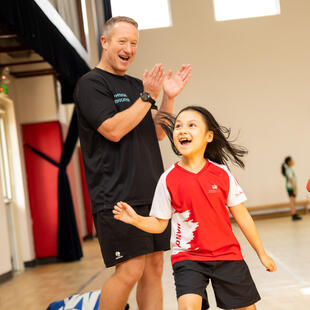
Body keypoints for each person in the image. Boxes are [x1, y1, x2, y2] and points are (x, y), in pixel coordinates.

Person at [74, 16, 191, 310]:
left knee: (154, 268)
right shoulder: (91, 84)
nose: (129, 48)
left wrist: (167, 98)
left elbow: (158, 133)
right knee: (129, 270)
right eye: (122, 41)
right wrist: (147, 96)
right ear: (105, 43)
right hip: (116, 196)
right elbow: (113, 130)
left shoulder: (137, 85)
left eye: (134, 43)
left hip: (152, 194)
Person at [113, 106, 277, 310]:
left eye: (192, 125)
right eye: (178, 126)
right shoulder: (167, 179)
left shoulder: (221, 174)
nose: (182, 130)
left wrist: (261, 254)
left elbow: (243, 217)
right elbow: (159, 224)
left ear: (209, 136)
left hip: (227, 255)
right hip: (188, 258)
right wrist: (135, 219)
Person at [281, 156, 302, 220]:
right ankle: (293, 215)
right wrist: (294, 189)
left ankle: (294, 213)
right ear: (289, 162)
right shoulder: (289, 170)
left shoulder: (289, 169)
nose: (293, 161)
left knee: (293, 201)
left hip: (291, 187)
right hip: (290, 188)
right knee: (292, 201)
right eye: (292, 160)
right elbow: (290, 180)